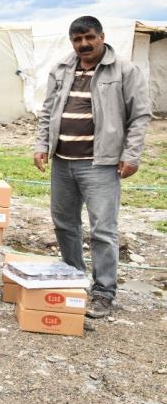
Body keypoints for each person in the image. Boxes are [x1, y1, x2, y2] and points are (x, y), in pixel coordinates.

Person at [34, 16, 151, 319]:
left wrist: (132, 154)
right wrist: (42, 145)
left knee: (102, 229)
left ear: (101, 36)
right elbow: (47, 110)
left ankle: (103, 292)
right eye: (77, 39)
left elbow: (140, 116)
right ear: (71, 41)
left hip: (100, 163)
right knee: (64, 223)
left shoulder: (124, 70)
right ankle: (73, 279)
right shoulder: (62, 68)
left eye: (89, 37)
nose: (83, 44)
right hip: (62, 162)